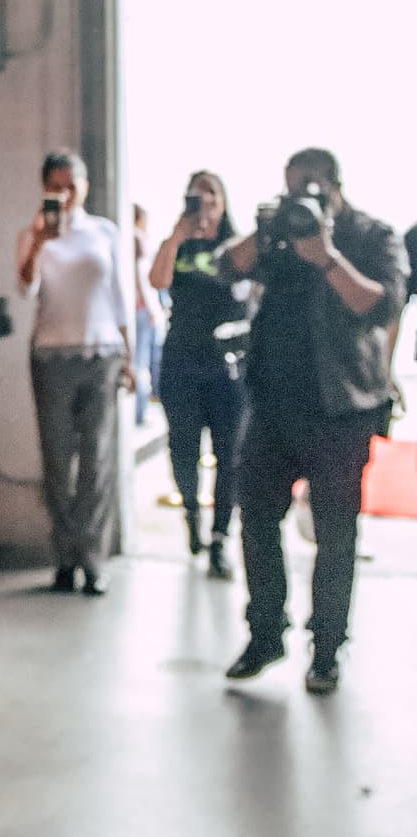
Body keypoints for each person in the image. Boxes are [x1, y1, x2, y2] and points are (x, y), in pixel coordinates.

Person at [217, 147, 408, 694]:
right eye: (291, 187)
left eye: (309, 187)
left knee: (335, 532)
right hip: (272, 401)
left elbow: (381, 307)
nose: (301, 197)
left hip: (341, 410)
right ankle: (265, 631)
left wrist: (325, 254)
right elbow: (226, 268)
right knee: (254, 517)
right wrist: (265, 228)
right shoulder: (279, 236)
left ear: (334, 186)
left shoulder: (372, 235)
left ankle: (326, 648)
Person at [17, 150, 135, 596]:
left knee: (97, 460)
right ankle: (64, 557)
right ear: (45, 186)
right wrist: (42, 241)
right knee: (56, 462)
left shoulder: (104, 231)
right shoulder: (33, 233)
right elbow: (26, 288)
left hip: (101, 353)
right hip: (51, 355)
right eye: (57, 185)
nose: (65, 193)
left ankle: (92, 559)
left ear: (85, 185)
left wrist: (130, 357)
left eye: (72, 184)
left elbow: (120, 296)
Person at [148, 170, 247, 580]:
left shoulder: (238, 248)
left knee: (229, 455)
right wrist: (176, 236)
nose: (204, 202)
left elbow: (250, 288)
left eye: (212, 194)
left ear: (224, 202)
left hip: (226, 365)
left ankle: (221, 537)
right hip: (181, 360)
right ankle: (192, 514)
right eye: (197, 195)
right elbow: (158, 280)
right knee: (183, 447)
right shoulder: (177, 245)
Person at [132, 203, 166, 428]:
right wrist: (155, 309)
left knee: (139, 362)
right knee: (141, 363)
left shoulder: (127, 236)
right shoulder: (136, 238)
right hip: (142, 309)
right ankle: (139, 411)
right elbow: (142, 274)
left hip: (135, 308)